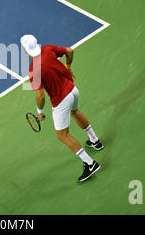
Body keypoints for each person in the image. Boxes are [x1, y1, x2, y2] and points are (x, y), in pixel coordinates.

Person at [21, 34, 104, 182]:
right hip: (72, 89)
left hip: (61, 100)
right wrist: (68, 67)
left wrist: (40, 112)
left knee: (62, 135)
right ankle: (95, 141)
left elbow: (40, 96)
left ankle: (90, 164)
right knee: (75, 112)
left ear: (26, 50)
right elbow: (70, 51)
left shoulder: (34, 70)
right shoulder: (48, 49)